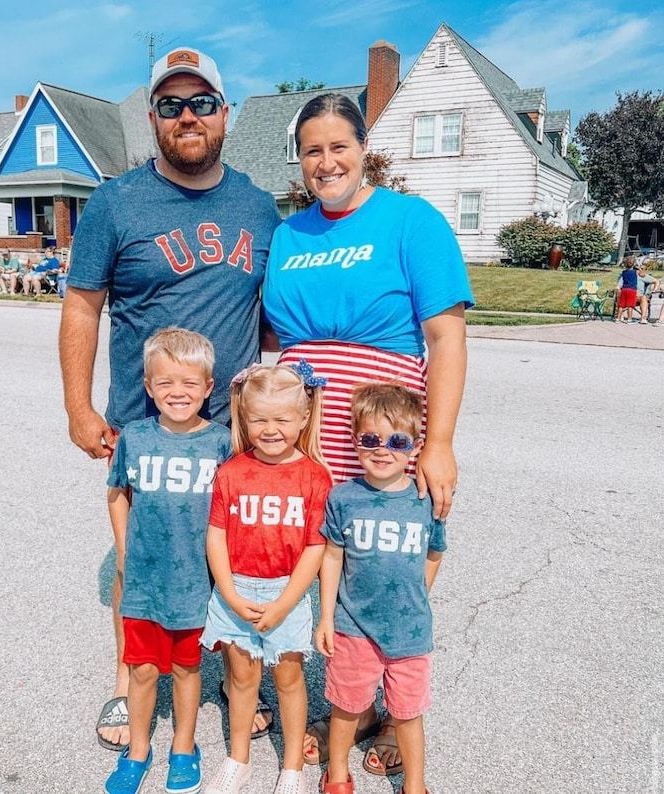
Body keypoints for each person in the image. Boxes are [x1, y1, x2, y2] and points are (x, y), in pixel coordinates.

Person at [59, 45, 280, 753]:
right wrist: (78, 407)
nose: (187, 117)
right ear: (153, 117)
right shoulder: (115, 202)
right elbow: (82, 306)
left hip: (235, 434)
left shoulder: (258, 206)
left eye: (202, 103)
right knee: (141, 558)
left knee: (237, 555)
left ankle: (236, 677)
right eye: (170, 105)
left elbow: (273, 319)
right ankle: (129, 684)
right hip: (145, 425)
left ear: (225, 114)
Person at [261, 93, 472, 774]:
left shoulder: (411, 221)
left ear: (363, 147)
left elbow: (446, 336)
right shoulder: (290, 235)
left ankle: (382, 709)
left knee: (386, 568)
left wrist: (437, 442)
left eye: (338, 146)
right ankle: (328, 700)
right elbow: (275, 337)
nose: (326, 162)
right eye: (312, 151)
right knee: (314, 567)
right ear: (300, 161)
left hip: (382, 440)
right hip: (303, 444)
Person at [104, 328, 232, 794]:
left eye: (189, 384)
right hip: (144, 580)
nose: (178, 393)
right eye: (166, 383)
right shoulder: (135, 437)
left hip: (194, 582)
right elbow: (117, 494)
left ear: (208, 387)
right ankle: (138, 749)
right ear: (148, 385)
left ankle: (184, 744)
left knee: (186, 668)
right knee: (140, 669)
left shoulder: (220, 443)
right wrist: (123, 549)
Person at [200, 363, 332, 794]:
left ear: (303, 417)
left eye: (281, 419)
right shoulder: (232, 472)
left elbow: (316, 547)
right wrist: (231, 595)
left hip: (285, 594)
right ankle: (239, 759)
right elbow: (216, 536)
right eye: (259, 419)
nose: (270, 429)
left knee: (289, 680)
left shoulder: (314, 477)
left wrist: (285, 603)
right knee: (242, 679)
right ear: (243, 417)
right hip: (235, 589)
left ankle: (291, 767)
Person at [315, 382, 445, 794]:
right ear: (355, 441)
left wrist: (416, 596)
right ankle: (337, 773)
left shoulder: (426, 500)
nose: (382, 450)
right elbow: (332, 556)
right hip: (352, 625)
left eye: (396, 441)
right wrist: (325, 616)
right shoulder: (343, 497)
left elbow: (434, 553)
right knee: (347, 705)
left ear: (415, 445)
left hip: (410, 631)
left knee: (407, 711)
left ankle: (415, 784)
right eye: (369, 439)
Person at [614, 257, 638, 323]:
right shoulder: (635, 272)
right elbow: (643, 274)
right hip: (632, 290)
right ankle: (629, 319)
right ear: (633, 264)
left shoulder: (623, 272)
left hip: (624, 289)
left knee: (621, 305)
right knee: (630, 305)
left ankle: (618, 318)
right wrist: (639, 267)